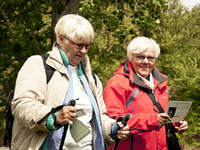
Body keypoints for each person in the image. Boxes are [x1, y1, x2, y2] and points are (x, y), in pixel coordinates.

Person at [11, 14, 129, 150]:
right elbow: (22, 105)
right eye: (79, 45)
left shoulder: (91, 79)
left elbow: (98, 119)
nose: (84, 51)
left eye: (87, 46)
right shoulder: (38, 64)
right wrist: (53, 117)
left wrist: (114, 128)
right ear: (61, 39)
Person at [103, 36, 188, 150]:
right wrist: (152, 121)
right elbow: (114, 122)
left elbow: (163, 114)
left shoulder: (161, 82)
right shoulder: (118, 83)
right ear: (130, 58)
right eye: (140, 57)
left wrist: (177, 123)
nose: (145, 62)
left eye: (150, 58)